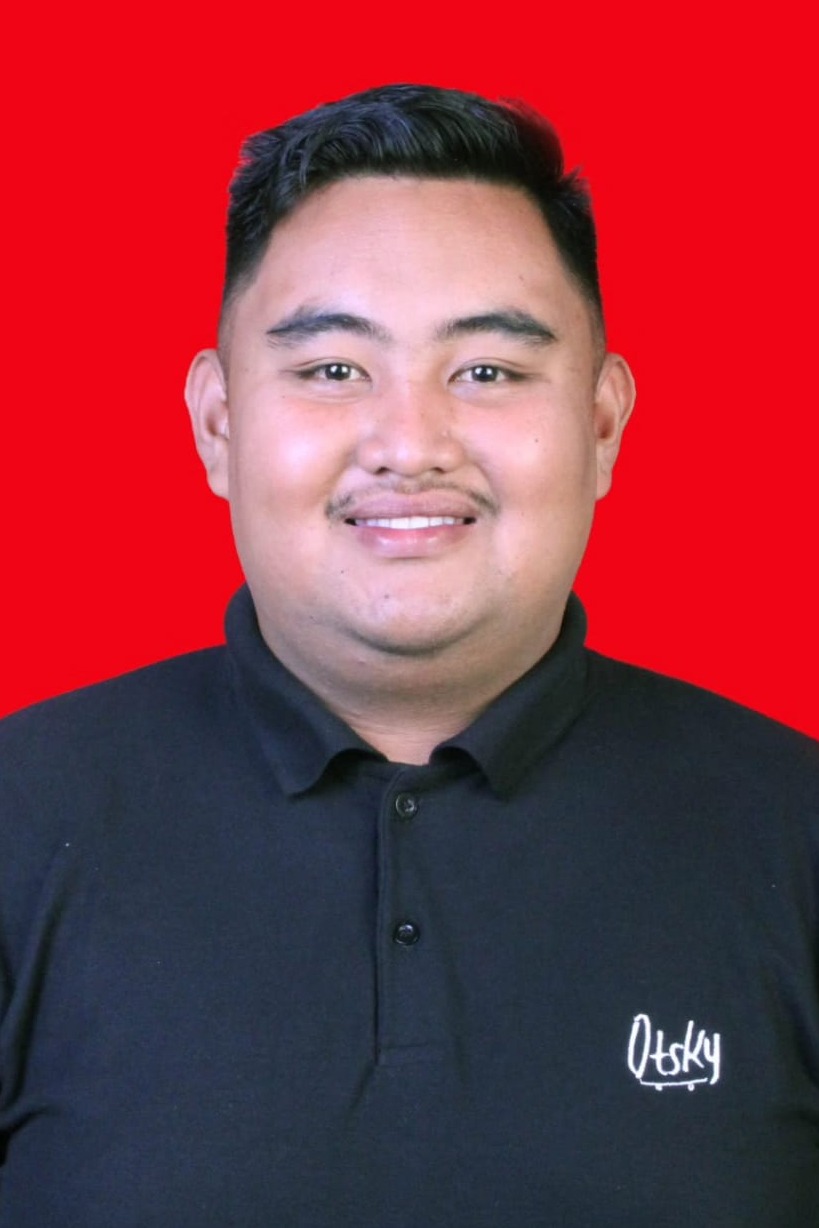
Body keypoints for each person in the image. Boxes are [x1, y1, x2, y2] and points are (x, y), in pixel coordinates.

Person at [0, 84, 817, 1228]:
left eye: (488, 371)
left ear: (602, 424)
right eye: (334, 369)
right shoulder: (22, 813)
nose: (410, 444)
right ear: (218, 424)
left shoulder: (793, 829)